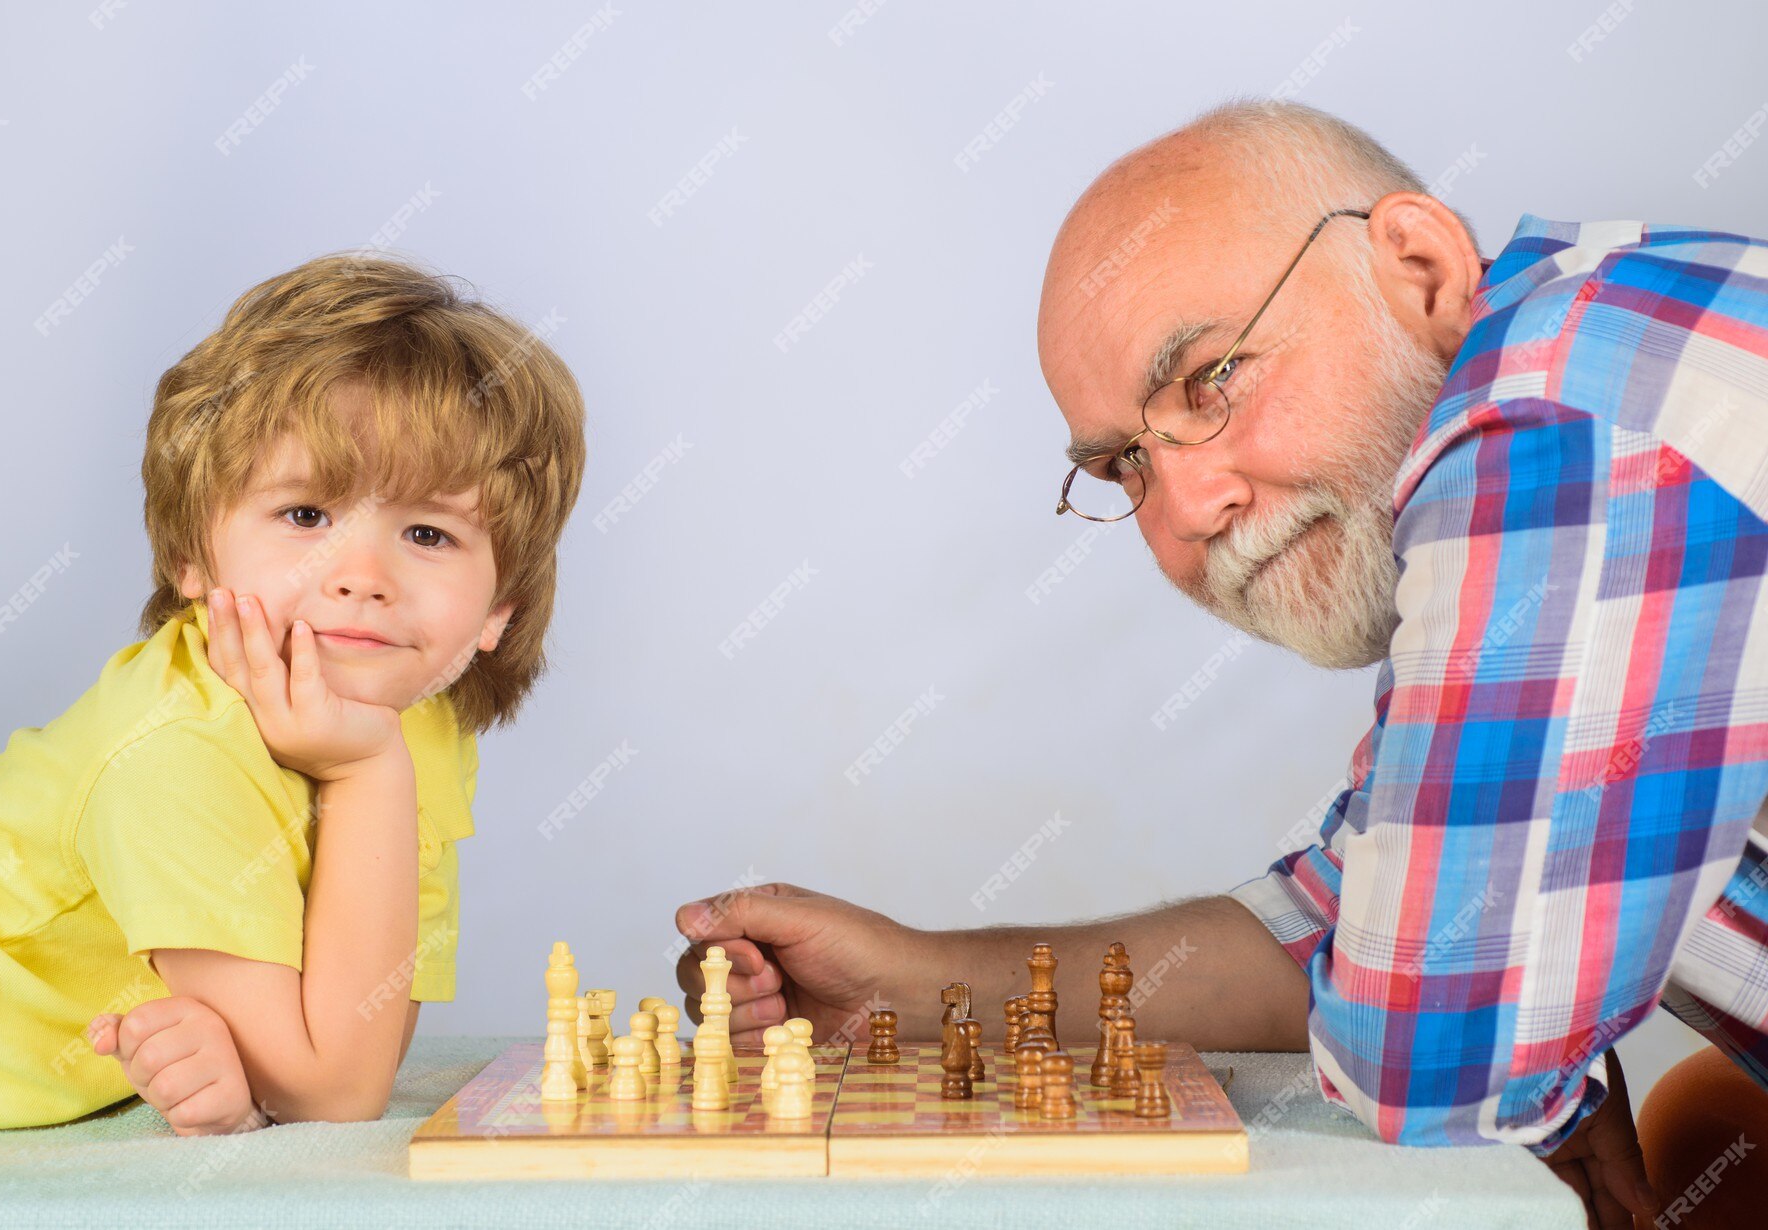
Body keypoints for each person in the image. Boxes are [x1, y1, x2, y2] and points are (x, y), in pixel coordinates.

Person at [674, 99, 1768, 1228]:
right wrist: (906, 980)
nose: (1186, 509)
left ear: (1419, 267)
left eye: (1211, 380)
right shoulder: (1559, 403)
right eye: (1120, 468)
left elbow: (1424, 1065)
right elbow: (1343, 927)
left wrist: (1515, 1085)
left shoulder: (1568, 413)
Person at [0, 253, 586, 1134]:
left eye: (428, 532)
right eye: (306, 515)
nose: (359, 577)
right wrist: (365, 780)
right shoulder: (181, 751)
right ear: (191, 555)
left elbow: (358, 1043)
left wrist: (253, 1066)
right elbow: (333, 1094)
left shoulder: (413, 719)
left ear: (497, 609)